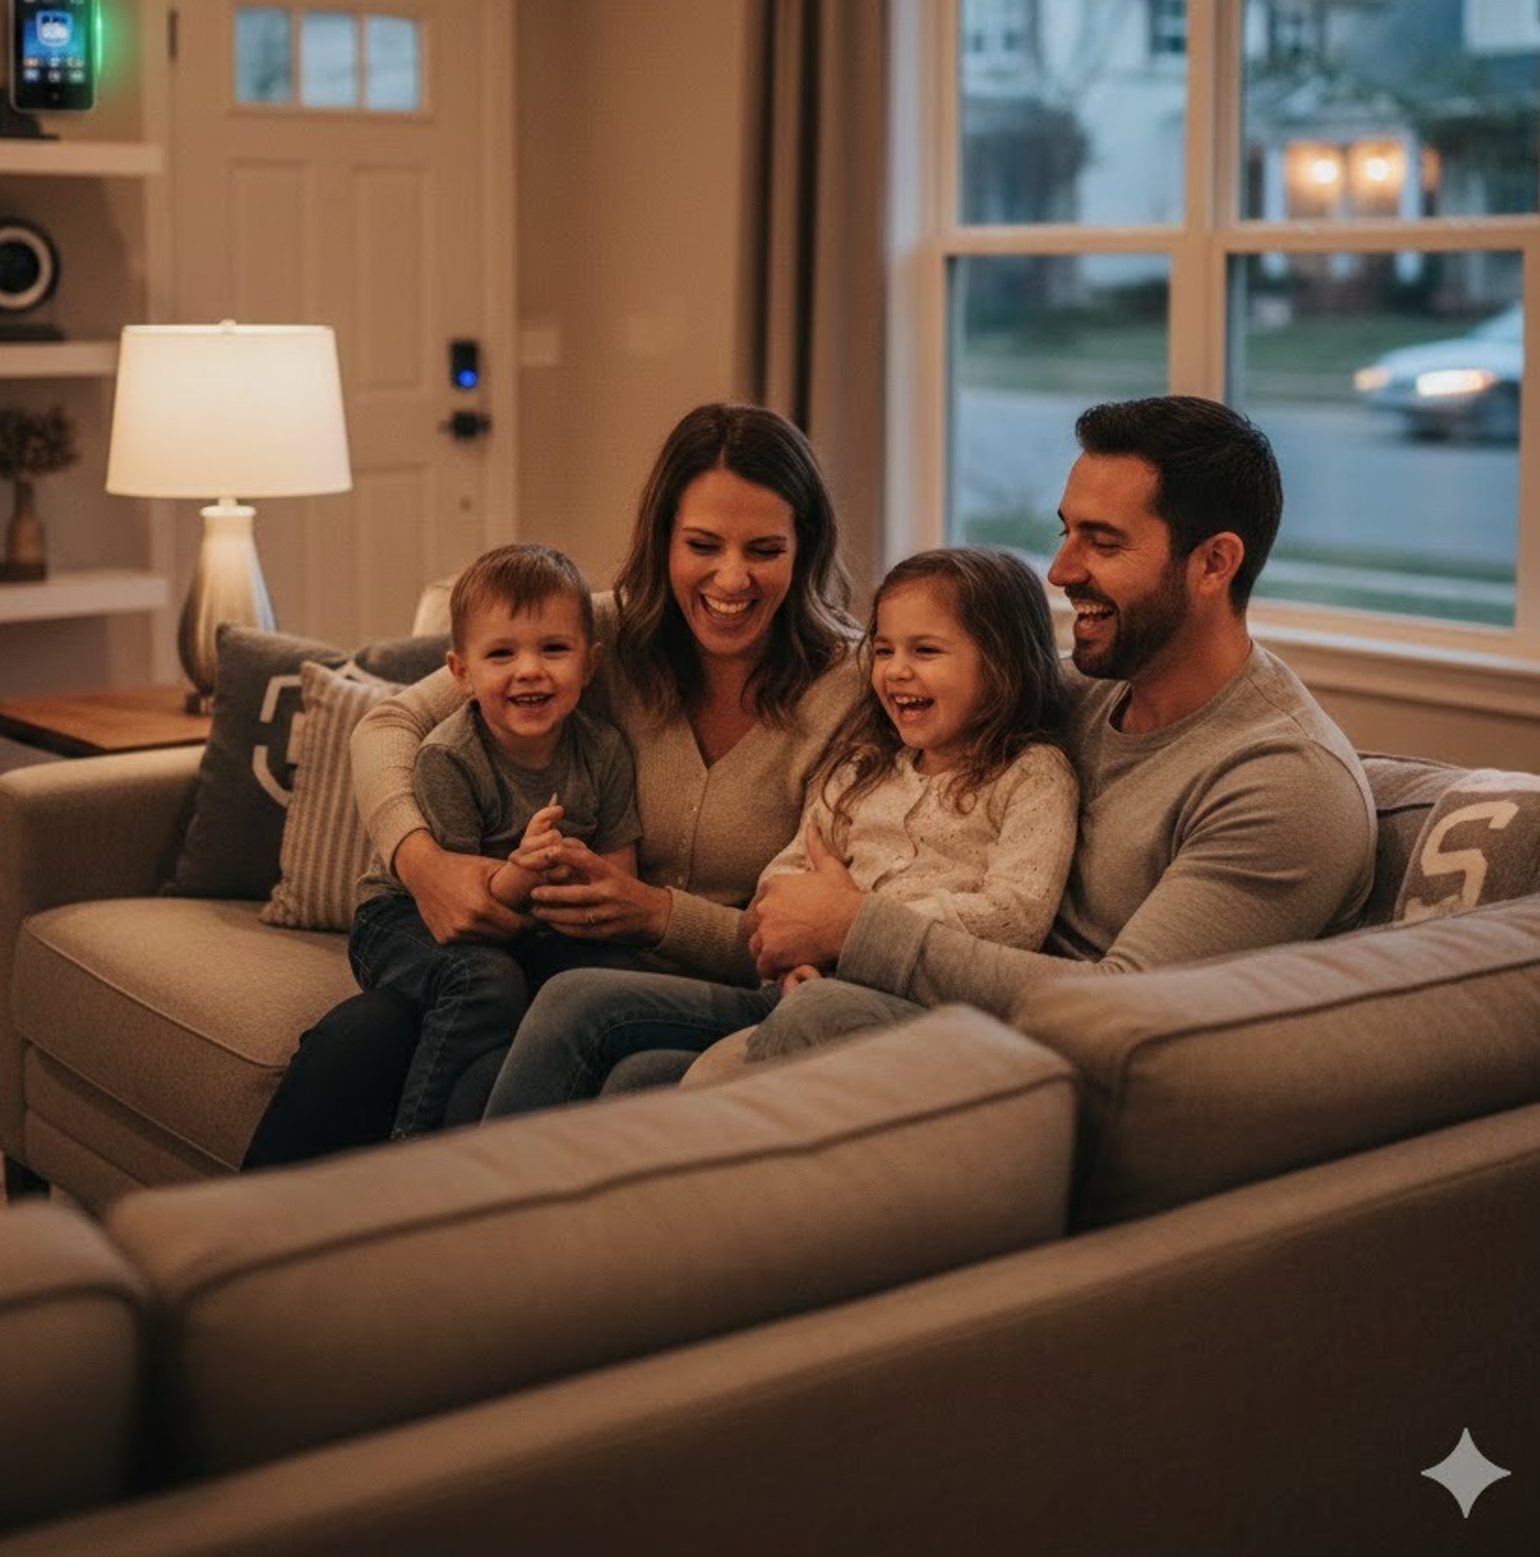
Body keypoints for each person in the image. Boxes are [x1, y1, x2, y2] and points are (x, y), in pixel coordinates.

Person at [241, 401, 862, 1165]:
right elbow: (387, 725)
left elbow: (812, 932)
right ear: (663, 540)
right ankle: (233, 1236)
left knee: (480, 1069)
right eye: (702, 545)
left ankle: (425, 1214)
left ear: (804, 549)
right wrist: (424, 865)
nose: (731, 578)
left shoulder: (851, 688)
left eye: (764, 549)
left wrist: (658, 914)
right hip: (547, 947)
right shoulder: (598, 635)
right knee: (356, 1040)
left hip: (659, 979)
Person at [735, 393, 1377, 1067]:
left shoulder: (1286, 784)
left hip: (1062, 1073)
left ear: (1214, 564)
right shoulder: (1074, 695)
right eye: (1066, 533)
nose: (1061, 571)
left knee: (817, 1021)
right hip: (924, 1009)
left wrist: (852, 928)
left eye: (1103, 542)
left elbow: (1129, 1004)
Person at [483, 546, 1081, 1113]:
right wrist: (793, 947)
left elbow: (1015, 916)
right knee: (608, 1038)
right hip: (792, 987)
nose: (896, 671)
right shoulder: (861, 769)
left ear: (1002, 664)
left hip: (908, 1005)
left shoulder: (1031, 775)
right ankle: (493, 1181)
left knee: (668, 1044)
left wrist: (854, 926)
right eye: (883, 650)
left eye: (925, 651)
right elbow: (784, 879)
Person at [349, 543, 641, 1138]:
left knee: (611, 981)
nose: (529, 670)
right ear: (461, 673)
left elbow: (620, 880)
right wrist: (526, 870)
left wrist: (587, 884)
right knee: (486, 982)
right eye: (502, 653)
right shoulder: (448, 758)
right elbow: (466, 905)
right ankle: (415, 1152)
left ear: (589, 665)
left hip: (532, 920)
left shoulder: (605, 750)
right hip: (406, 916)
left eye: (553, 649)